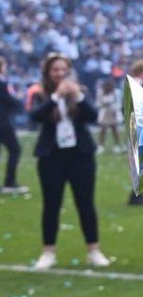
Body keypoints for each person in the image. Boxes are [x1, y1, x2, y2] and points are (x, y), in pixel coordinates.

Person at [28, 53, 110, 270]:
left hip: (80, 155)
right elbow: (34, 116)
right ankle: (48, 252)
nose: (60, 73)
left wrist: (79, 98)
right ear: (48, 72)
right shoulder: (40, 92)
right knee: (51, 204)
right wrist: (55, 97)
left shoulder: (80, 92)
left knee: (85, 203)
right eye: (55, 70)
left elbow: (94, 116)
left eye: (63, 69)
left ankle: (94, 250)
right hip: (51, 156)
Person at [125, 57, 143, 206]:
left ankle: (137, 194)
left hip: (137, 128)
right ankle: (136, 195)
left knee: (142, 163)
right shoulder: (138, 84)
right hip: (138, 128)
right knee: (141, 163)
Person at [0, 55, 27, 194]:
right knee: (15, 149)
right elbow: (10, 100)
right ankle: (9, 181)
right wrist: (20, 98)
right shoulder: (3, 83)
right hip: (3, 123)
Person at [94, 77, 120, 152]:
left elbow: (118, 103)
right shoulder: (100, 92)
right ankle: (100, 146)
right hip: (104, 112)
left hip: (113, 112)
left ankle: (117, 145)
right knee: (102, 129)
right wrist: (103, 103)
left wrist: (114, 108)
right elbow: (97, 103)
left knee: (115, 129)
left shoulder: (116, 92)